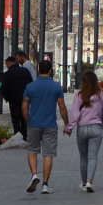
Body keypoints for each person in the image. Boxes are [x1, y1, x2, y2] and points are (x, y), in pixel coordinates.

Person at [22, 58, 67, 194]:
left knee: (32, 150)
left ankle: (34, 174)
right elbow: (62, 107)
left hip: (34, 123)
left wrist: (28, 122)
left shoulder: (30, 87)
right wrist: (67, 123)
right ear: (50, 71)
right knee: (48, 154)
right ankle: (45, 185)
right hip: (50, 125)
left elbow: (24, 107)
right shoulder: (56, 87)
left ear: (38, 70)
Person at [70, 70, 103, 191]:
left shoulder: (79, 96)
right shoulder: (101, 96)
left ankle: (83, 183)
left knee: (83, 157)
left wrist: (70, 127)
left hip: (82, 129)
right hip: (96, 128)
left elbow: (75, 114)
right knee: (92, 157)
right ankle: (89, 182)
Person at [0, 55, 33, 140]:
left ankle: (17, 136)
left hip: (13, 100)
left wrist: (7, 98)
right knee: (24, 117)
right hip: (25, 99)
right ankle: (24, 136)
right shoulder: (25, 71)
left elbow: (4, 89)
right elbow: (31, 83)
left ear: (8, 63)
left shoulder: (7, 74)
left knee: (15, 119)